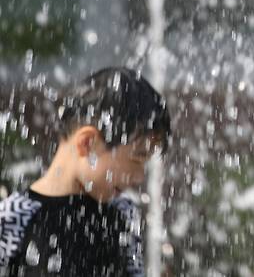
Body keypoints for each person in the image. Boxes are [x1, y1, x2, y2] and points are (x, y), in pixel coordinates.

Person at [0, 67, 171, 276]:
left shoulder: (123, 213)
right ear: (88, 143)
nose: (139, 176)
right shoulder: (13, 218)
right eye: (137, 158)